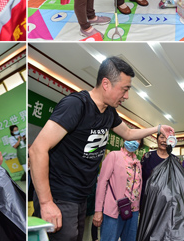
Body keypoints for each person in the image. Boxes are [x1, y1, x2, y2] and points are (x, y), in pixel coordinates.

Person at [30, 56, 174, 241]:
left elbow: (128, 133)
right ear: (106, 83)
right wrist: (46, 202)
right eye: (125, 89)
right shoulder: (76, 105)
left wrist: (158, 128)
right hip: (60, 195)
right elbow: (37, 150)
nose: (127, 96)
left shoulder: (109, 112)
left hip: (81, 197)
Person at [93, 139, 143, 241]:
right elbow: (102, 182)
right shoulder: (114, 156)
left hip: (133, 210)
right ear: (125, 138)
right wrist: (98, 210)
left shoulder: (137, 162)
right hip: (114, 208)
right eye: (132, 137)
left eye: (138, 139)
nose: (134, 141)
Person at [139, 132, 170, 212]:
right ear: (157, 139)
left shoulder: (175, 160)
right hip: (147, 200)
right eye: (162, 137)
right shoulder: (147, 156)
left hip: (166, 203)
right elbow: (139, 178)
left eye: (167, 138)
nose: (164, 141)